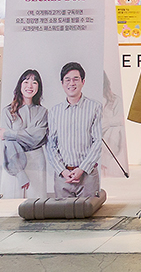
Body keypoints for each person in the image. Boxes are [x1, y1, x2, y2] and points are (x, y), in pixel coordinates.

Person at [45, 62, 105, 199]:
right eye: (67, 79)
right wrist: (62, 170)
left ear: (83, 82)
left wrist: (82, 169)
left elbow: (98, 141)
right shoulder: (54, 111)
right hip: (63, 177)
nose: (71, 83)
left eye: (75, 79)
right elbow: (51, 145)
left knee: (88, 212)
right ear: (62, 83)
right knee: (63, 211)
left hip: (88, 175)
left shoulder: (95, 108)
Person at [0, 69, 48, 197]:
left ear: (39, 87)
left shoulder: (43, 112)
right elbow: (9, 144)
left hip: (36, 160)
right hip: (13, 163)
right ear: (20, 85)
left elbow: (37, 138)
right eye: (26, 82)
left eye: (34, 82)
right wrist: (20, 172)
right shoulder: (8, 111)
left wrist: (9, 133)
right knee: (12, 200)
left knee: (37, 200)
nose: (30, 86)